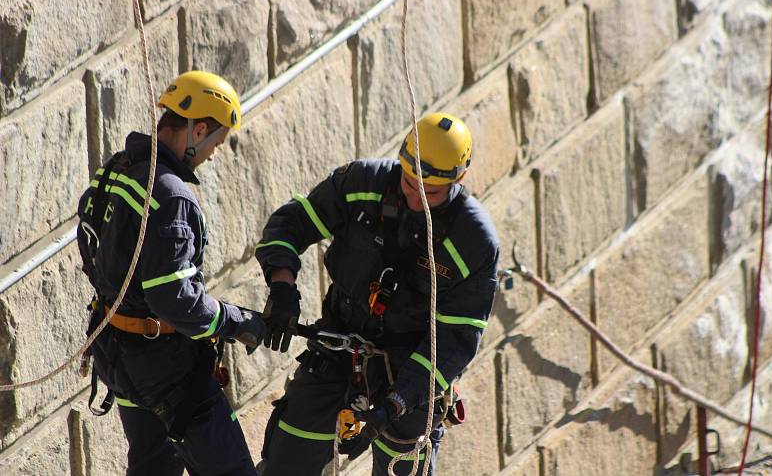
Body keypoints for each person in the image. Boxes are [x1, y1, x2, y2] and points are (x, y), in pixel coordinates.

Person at [254, 113, 500, 475]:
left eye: (429, 193)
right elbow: (292, 224)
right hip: (338, 346)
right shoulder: (362, 183)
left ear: (458, 179)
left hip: (411, 370)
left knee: (404, 460)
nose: (415, 199)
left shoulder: (473, 241)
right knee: (286, 460)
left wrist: (395, 404)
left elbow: (453, 342)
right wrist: (282, 286)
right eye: (409, 182)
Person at [76, 71, 265, 476]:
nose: (215, 152)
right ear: (198, 130)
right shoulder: (171, 195)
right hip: (165, 369)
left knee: (153, 467)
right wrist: (238, 322)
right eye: (217, 140)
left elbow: (89, 240)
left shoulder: (117, 169)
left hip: (116, 352)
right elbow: (173, 298)